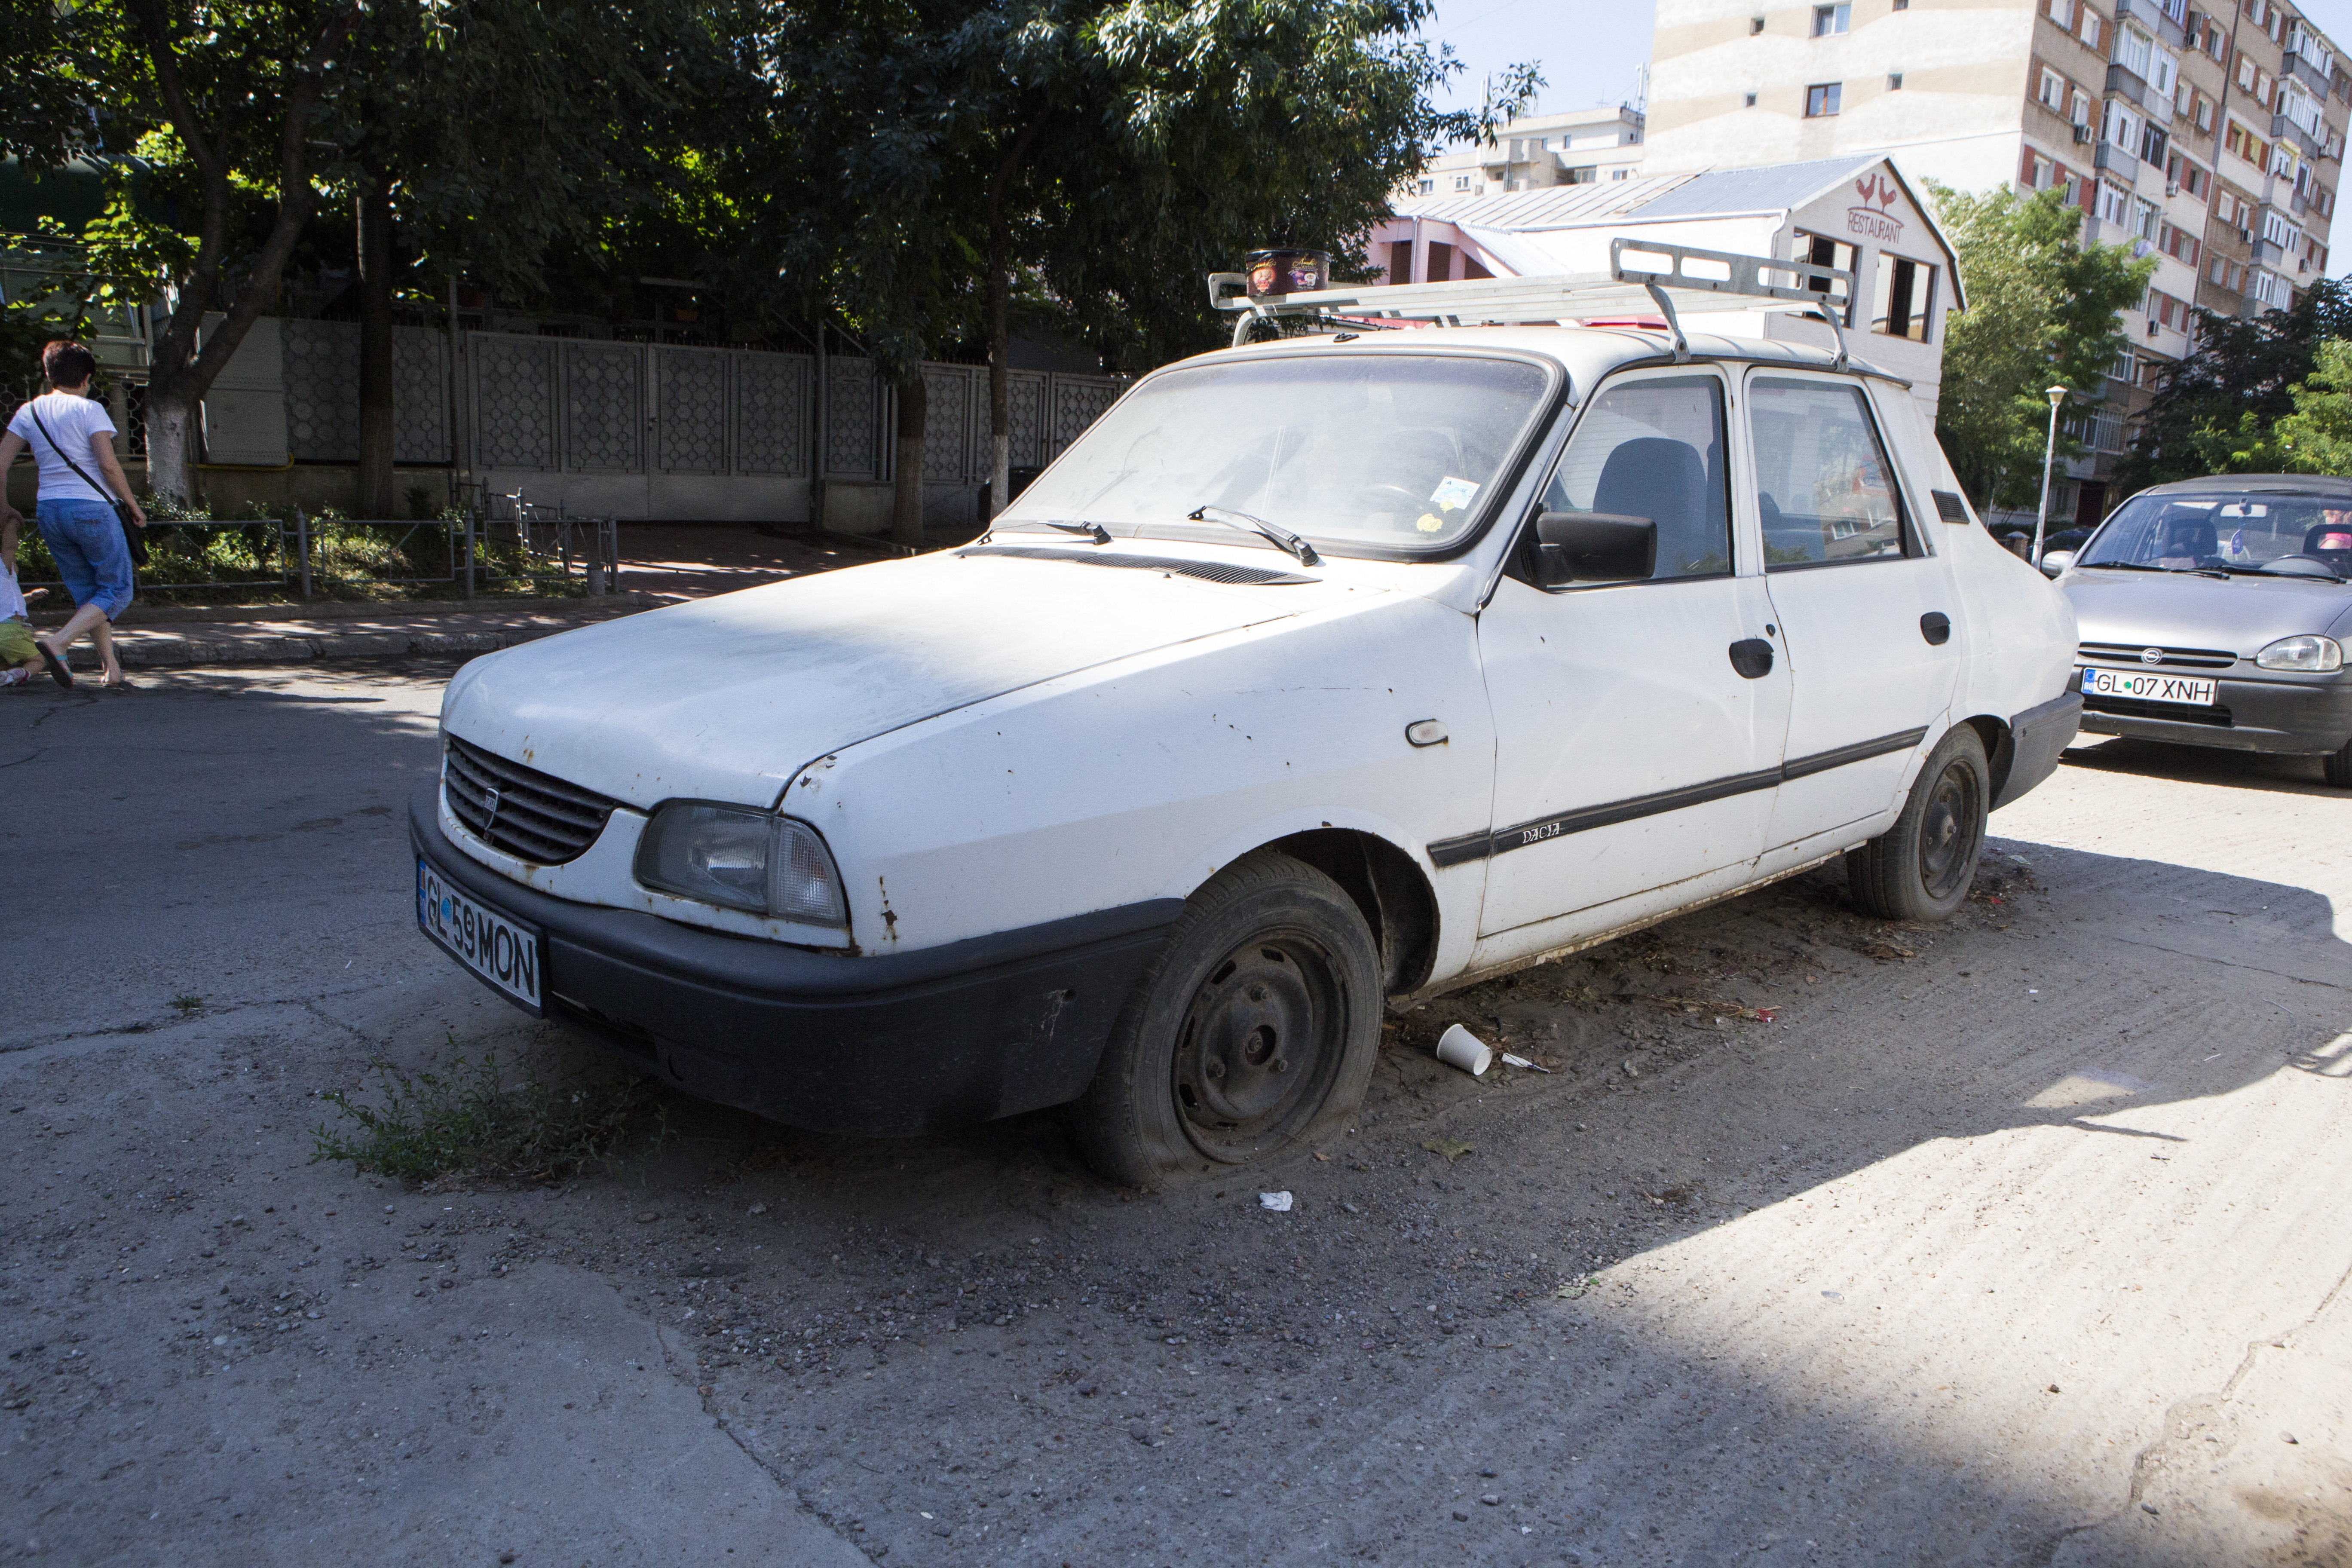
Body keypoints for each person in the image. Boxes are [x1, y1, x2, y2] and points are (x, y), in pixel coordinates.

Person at [0, 340, 147, 689]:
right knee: (118, 590)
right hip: (91, 509)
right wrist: (133, 504)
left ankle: (111, 668)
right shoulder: (89, 409)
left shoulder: (28, 412)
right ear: (86, 378)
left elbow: (1, 463)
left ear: (49, 373)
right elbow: (108, 466)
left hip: (50, 511)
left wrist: (3, 505)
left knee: (89, 593)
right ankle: (58, 643)